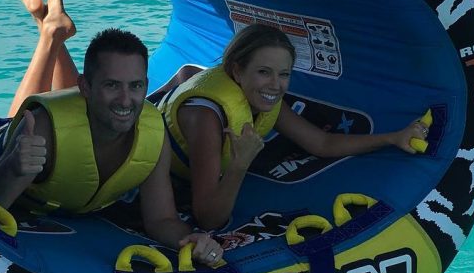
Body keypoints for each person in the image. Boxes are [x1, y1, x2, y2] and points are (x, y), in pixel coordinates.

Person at [0, 0, 223, 265]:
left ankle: (49, 30)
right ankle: (45, 32)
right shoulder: (42, 132)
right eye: (112, 85)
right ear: (83, 86)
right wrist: (14, 170)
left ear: (146, 86)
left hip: (13, 135)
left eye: (135, 86)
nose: (126, 99)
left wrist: (189, 239)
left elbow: (161, 219)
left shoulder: (152, 131)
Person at [160, 22, 430, 231]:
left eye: (284, 74)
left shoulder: (263, 100)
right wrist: (239, 164)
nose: (275, 85)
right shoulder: (207, 118)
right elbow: (208, 218)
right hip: (161, 161)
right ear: (238, 71)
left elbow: (321, 143)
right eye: (263, 72)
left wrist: (394, 137)